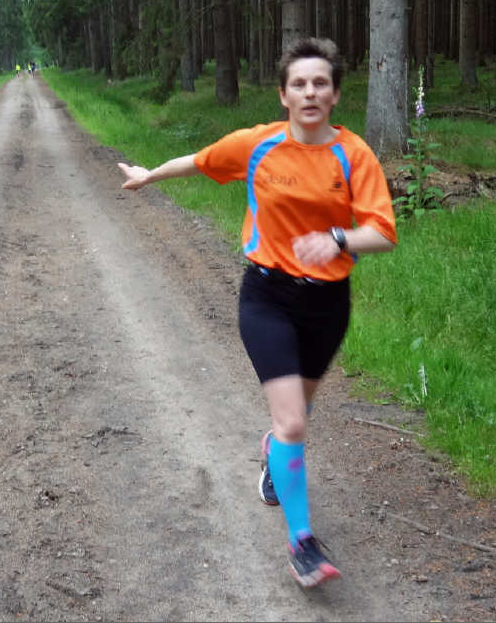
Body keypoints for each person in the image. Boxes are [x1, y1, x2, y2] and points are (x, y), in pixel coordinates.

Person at [117, 37, 397, 588]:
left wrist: (338, 238)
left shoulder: (354, 154)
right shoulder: (259, 144)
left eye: (320, 83)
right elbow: (200, 161)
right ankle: (302, 542)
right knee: (293, 420)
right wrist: (150, 175)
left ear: (335, 95)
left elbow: (383, 233)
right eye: (300, 84)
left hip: (327, 304)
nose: (310, 92)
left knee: (299, 413)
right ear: (283, 95)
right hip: (267, 296)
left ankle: (274, 449)